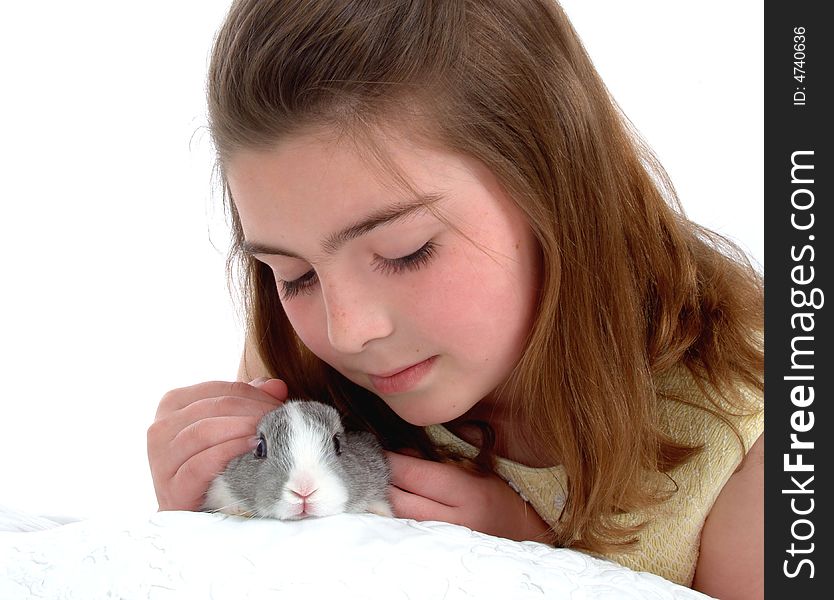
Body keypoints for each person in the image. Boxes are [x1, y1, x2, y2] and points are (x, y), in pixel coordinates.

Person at [147, 1, 763, 598]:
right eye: (293, 274)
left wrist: (526, 561)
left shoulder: (755, 428)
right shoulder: (298, 363)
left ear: (553, 179)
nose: (347, 329)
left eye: (405, 250)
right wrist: (210, 518)